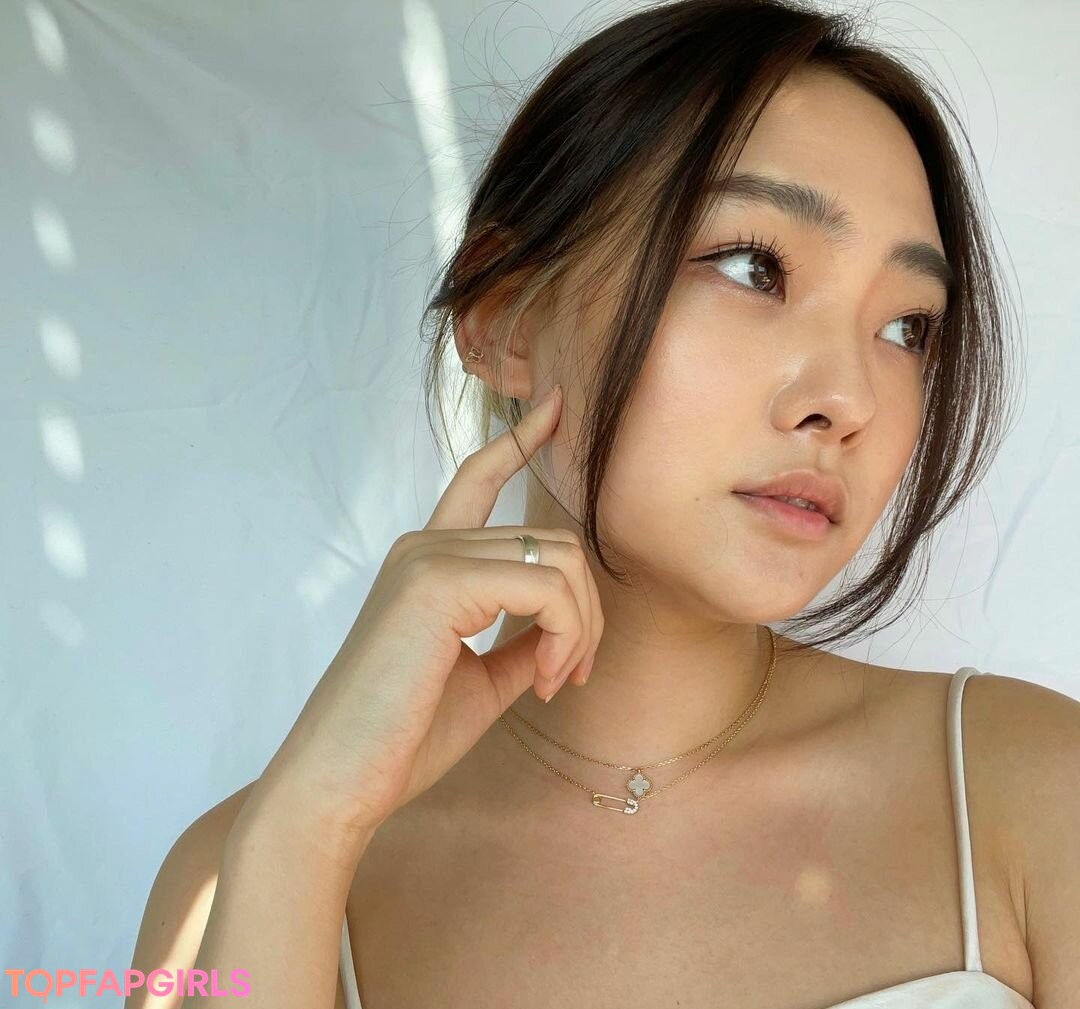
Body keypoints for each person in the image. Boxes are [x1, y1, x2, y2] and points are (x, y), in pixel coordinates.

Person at [125, 1, 1079, 1006]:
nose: (848, 400)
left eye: (907, 328)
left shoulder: (1028, 793)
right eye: (754, 267)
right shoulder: (237, 873)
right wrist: (307, 826)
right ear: (504, 315)